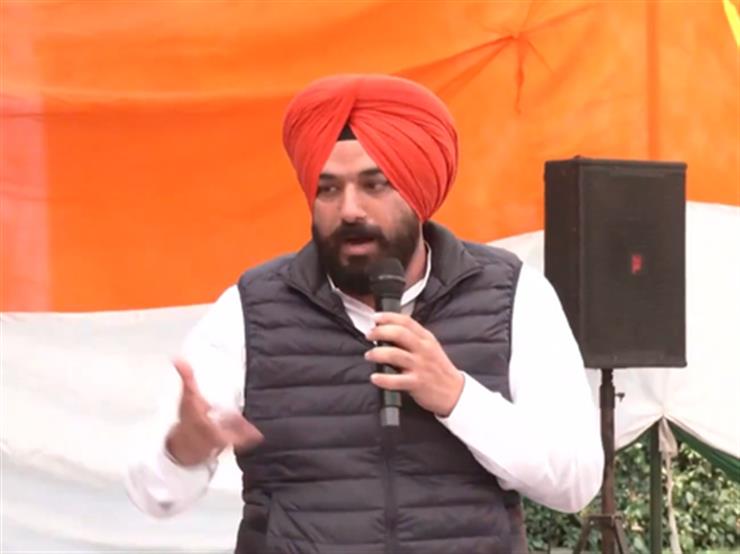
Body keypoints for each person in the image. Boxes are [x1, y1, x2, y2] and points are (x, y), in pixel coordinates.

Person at [126, 74, 604, 554]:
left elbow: (575, 483)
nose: (350, 209)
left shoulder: (512, 295)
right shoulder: (251, 309)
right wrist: (186, 447)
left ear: (418, 190)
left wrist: (457, 397)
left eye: (375, 185)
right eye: (328, 189)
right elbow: (151, 495)